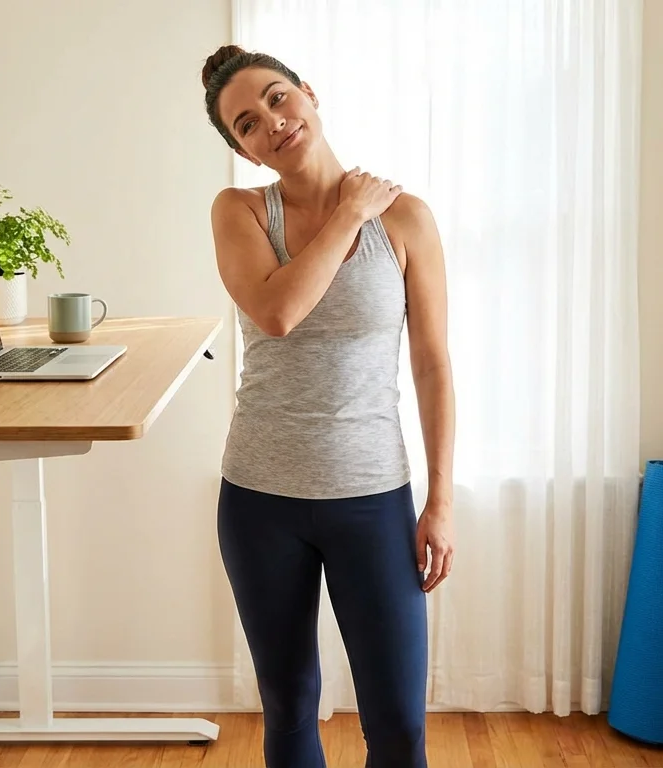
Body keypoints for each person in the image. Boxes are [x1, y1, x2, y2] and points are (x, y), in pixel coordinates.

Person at [201, 44, 456, 768]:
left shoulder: (406, 218)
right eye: (247, 124)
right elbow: (279, 313)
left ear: (309, 95)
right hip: (259, 499)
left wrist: (440, 501)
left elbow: (434, 365)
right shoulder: (239, 211)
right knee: (288, 709)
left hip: (373, 497)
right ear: (244, 151)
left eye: (278, 98)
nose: (272, 123)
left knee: (400, 724)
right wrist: (348, 212)